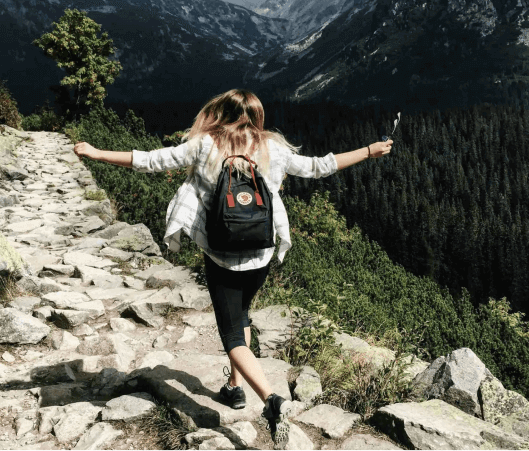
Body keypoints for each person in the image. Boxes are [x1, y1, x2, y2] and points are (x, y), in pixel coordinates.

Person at [73, 89, 392, 451]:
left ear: (220, 113)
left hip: (221, 254)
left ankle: (271, 401)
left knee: (232, 335)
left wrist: (98, 153)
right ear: (257, 116)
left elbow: (150, 160)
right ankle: (234, 388)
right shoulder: (273, 147)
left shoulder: (204, 144)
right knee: (242, 316)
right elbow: (321, 166)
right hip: (261, 252)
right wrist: (369, 150)